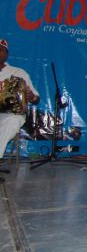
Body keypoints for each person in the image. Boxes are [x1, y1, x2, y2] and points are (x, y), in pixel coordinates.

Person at [0, 39, 40, 174]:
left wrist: (31, 97)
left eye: (2, 50)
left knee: (12, 121)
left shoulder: (18, 73)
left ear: (6, 54)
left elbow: (36, 98)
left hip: (11, 113)